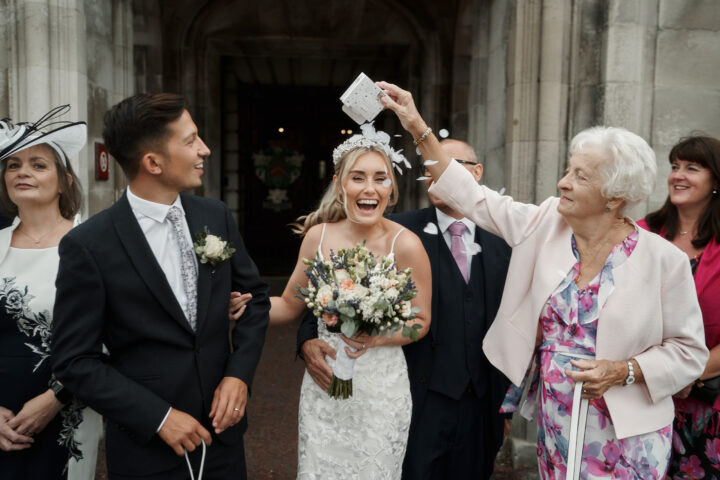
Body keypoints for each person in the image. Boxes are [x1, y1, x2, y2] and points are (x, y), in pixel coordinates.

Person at [378, 82, 709, 479]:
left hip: (628, 432)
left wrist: (625, 370)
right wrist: (416, 125)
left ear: (615, 195)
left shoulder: (664, 260)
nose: (563, 182)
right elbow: (472, 195)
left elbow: (690, 352)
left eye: (580, 177)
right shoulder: (547, 223)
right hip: (557, 419)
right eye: (568, 170)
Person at [50, 93, 270, 480]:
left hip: (223, 440)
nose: (205, 149)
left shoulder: (214, 215)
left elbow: (256, 300)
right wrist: (159, 418)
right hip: (146, 449)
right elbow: (74, 361)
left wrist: (239, 374)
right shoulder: (89, 245)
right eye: (190, 141)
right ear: (152, 162)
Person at [297, 138, 512, 479]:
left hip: (481, 403)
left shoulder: (504, 240)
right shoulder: (395, 230)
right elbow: (329, 291)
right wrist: (307, 340)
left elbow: (514, 325)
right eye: (430, 169)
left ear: (477, 173)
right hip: (415, 395)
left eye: (449, 167)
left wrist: (507, 406)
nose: (438, 177)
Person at [269, 125, 432, 479]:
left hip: (381, 390)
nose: (369, 188)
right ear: (340, 184)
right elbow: (287, 305)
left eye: (380, 178)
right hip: (325, 386)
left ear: (392, 189)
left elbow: (420, 321)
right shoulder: (318, 237)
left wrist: (376, 336)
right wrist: (237, 305)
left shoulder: (406, 244)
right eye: (358, 178)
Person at [0, 106, 102, 479]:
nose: (22, 171)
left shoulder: (94, 244)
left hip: (67, 409)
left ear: (65, 182)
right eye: (13, 165)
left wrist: (54, 398)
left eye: (38, 164)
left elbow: (110, 337)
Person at [637, 135, 720, 478]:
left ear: (716, 181)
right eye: (674, 167)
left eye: (692, 167)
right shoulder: (642, 234)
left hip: (706, 406)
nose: (678, 175)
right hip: (641, 397)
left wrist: (685, 373)